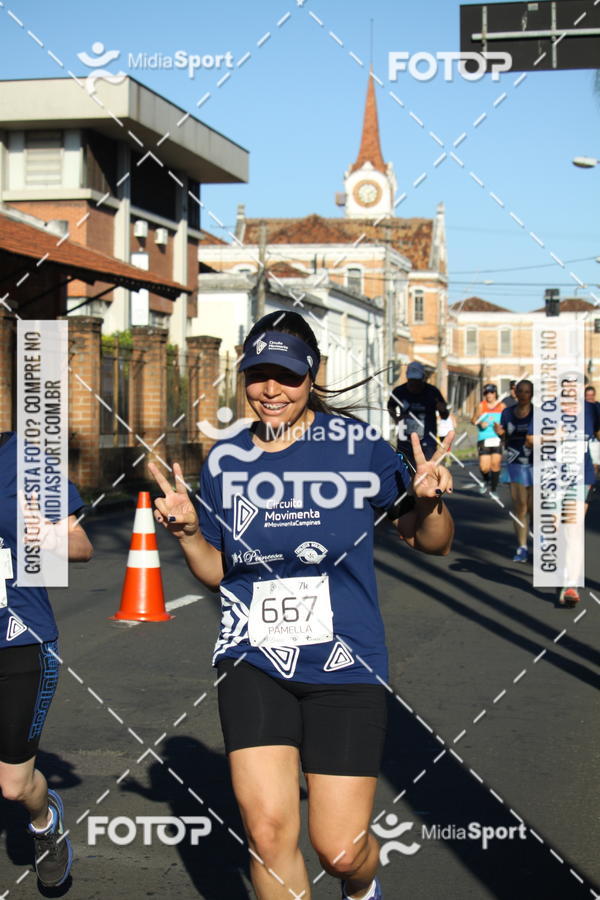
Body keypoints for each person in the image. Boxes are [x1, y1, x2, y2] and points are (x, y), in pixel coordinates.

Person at [150, 311, 455, 900]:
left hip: (346, 662)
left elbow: (433, 542)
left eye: (287, 376)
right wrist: (188, 534)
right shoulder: (226, 460)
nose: (271, 389)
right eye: (257, 374)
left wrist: (429, 500)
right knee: (267, 834)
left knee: (340, 851)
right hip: (253, 657)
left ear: (312, 376)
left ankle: (362, 888)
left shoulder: (357, 449)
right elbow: (219, 573)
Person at [0, 430, 93, 887]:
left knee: (14, 786)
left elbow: (82, 546)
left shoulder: (26, 461)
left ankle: (44, 823)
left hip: (20, 640)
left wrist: (48, 536)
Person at [494, 380, 534, 563]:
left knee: (534, 507)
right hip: (515, 463)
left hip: (535, 464)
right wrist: (500, 433)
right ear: (515, 393)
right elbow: (504, 439)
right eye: (521, 391)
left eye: (527, 391)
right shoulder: (507, 413)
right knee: (520, 507)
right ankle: (522, 547)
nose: (524, 395)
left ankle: (537, 534)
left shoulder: (538, 414)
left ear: (531, 394)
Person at [387, 361, 449, 467]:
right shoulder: (399, 392)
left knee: (426, 470)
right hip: (405, 441)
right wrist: (396, 418)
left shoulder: (432, 392)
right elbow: (390, 406)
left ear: (423, 378)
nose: (414, 384)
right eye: (411, 381)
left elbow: (445, 415)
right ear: (407, 378)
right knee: (405, 471)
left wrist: (442, 410)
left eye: (417, 381)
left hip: (427, 442)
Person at [471, 384, 505, 497]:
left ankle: (494, 490)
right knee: (484, 467)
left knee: (495, 464)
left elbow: (507, 420)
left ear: (495, 393)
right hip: (484, 438)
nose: (489, 395)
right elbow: (473, 420)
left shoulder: (502, 406)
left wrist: (502, 428)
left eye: (491, 392)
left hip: (497, 438)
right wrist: (480, 423)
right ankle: (486, 479)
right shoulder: (481, 406)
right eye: (486, 393)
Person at [584, 385, 600, 480]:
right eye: (588, 395)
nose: (590, 397)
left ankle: (593, 483)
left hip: (594, 439)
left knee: (595, 463)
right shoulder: (582, 407)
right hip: (582, 439)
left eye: (592, 395)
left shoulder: (597, 406)